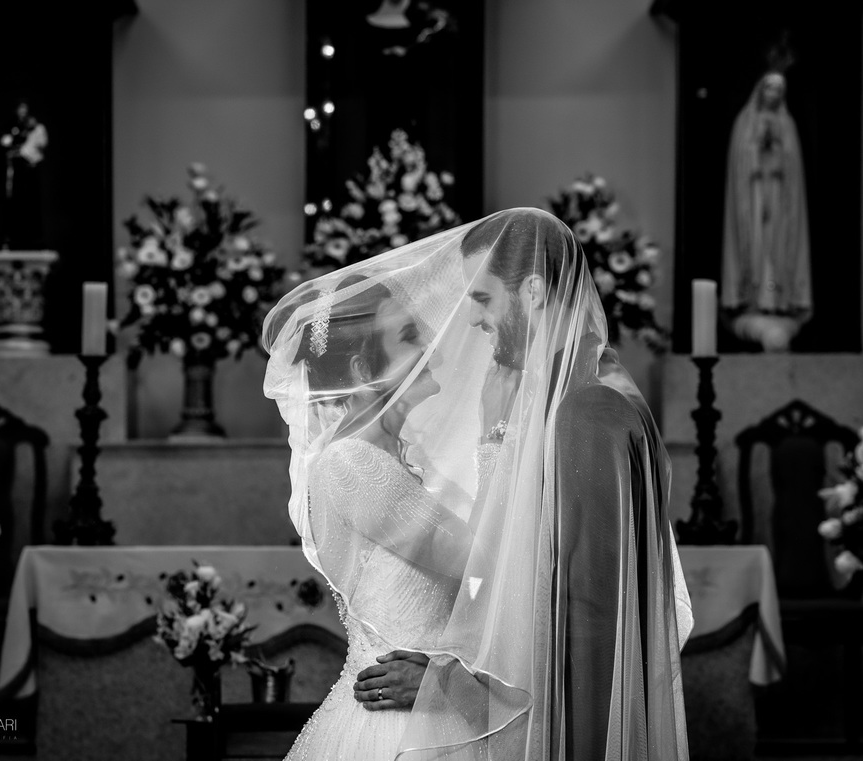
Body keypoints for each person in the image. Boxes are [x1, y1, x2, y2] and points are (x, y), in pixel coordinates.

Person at [347, 208, 693, 759]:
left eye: (483, 298)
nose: (473, 320)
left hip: (576, 725)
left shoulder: (588, 409)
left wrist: (450, 685)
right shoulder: (569, 391)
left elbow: (588, 613)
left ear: (532, 290)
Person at [263, 272, 478, 760]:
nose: (433, 348)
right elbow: (480, 562)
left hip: (434, 705)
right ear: (363, 370)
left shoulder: (401, 461)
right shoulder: (353, 464)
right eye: (410, 336)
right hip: (399, 728)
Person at [720, 71, 812, 352]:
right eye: (769, 89)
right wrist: (757, 151)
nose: (773, 95)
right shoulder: (745, 122)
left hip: (780, 198)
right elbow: (739, 162)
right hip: (753, 198)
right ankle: (752, 299)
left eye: (778, 90)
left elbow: (793, 165)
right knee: (756, 249)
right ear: (760, 91)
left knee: (777, 249)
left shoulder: (787, 124)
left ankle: (779, 301)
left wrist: (778, 154)